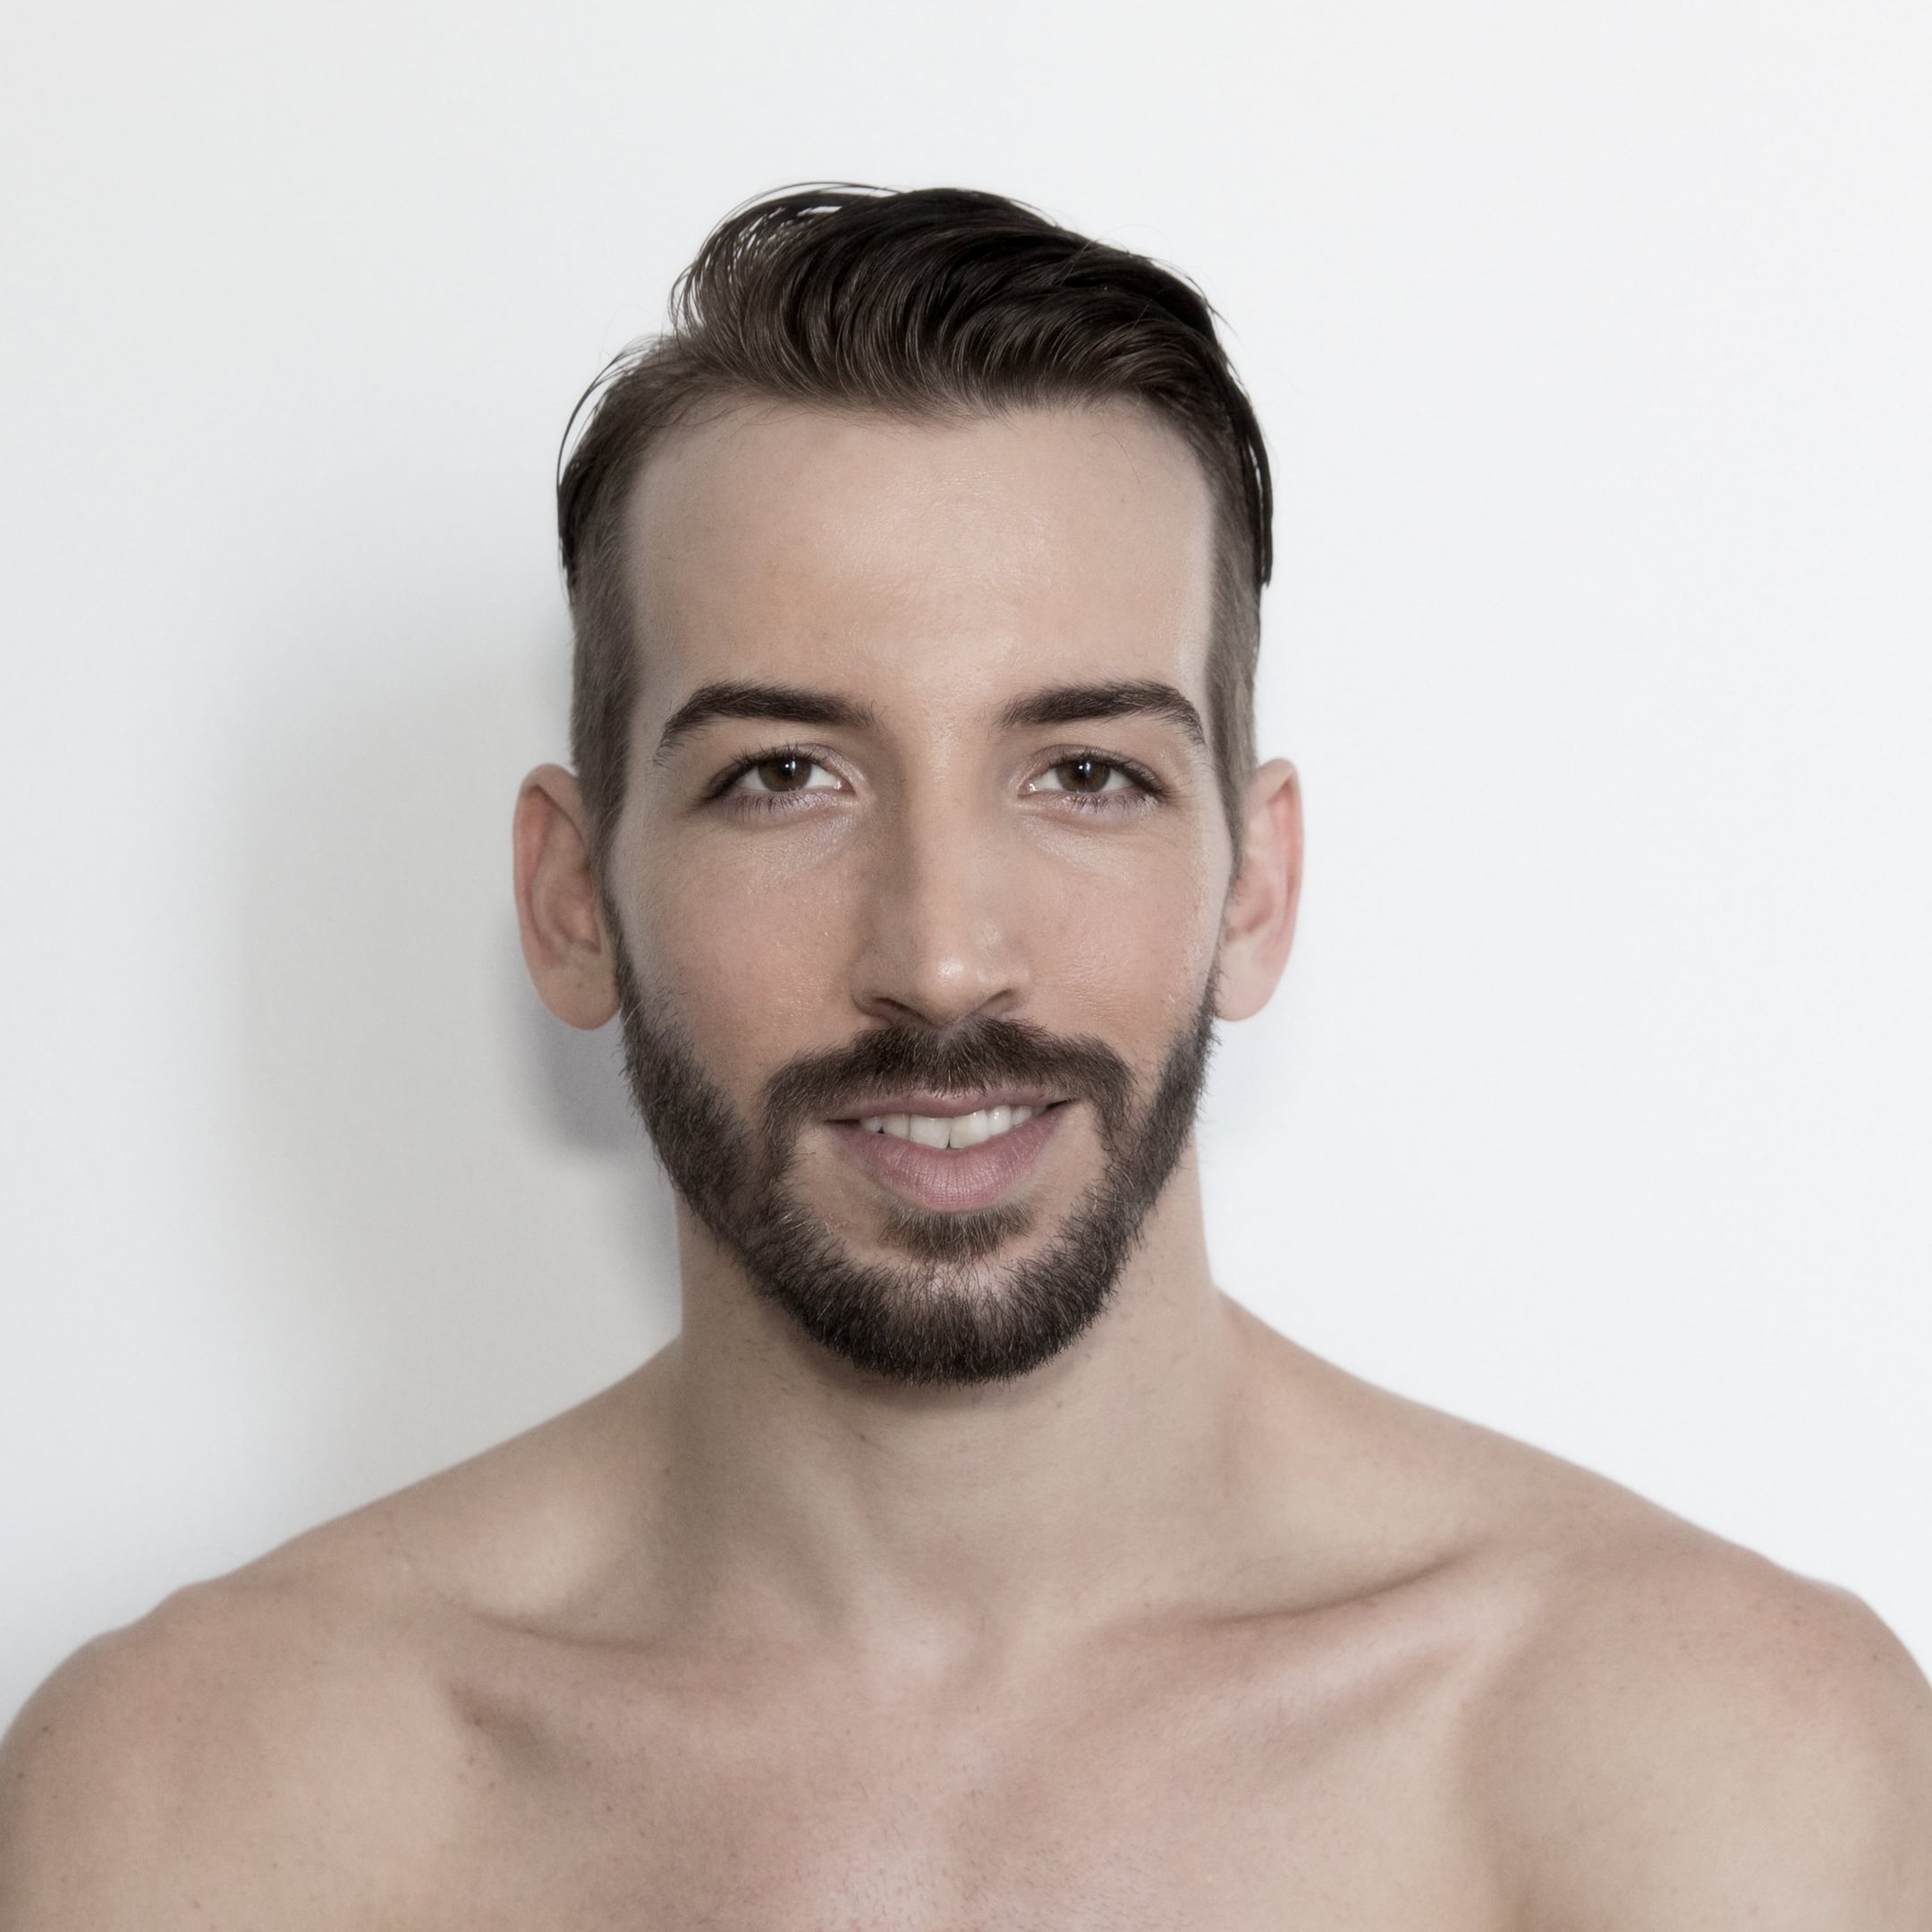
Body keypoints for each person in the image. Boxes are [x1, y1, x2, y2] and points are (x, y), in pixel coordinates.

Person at [3, 184, 1928, 1928]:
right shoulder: (198, 1805)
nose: (938, 957)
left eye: (1084, 775)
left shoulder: (1703, 1765)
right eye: (786, 777)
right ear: (573, 898)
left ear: (1255, 886)